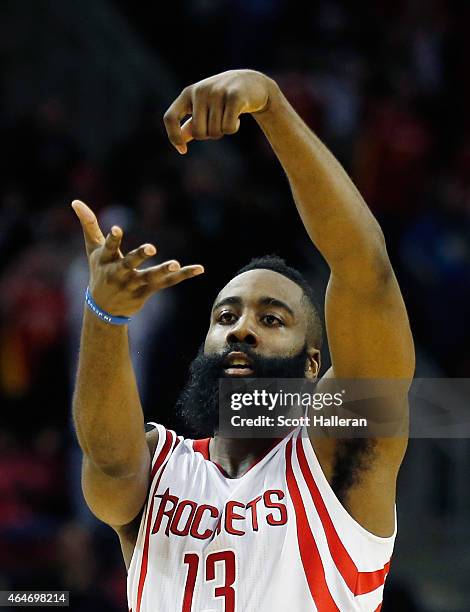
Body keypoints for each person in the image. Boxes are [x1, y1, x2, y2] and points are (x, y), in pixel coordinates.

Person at [72, 69, 414, 612]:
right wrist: (105, 314)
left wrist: (271, 104)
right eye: (225, 316)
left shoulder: (337, 455)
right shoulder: (160, 467)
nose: (241, 329)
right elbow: (109, 466)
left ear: (312, 367)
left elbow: (365, 272)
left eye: (273, 320)